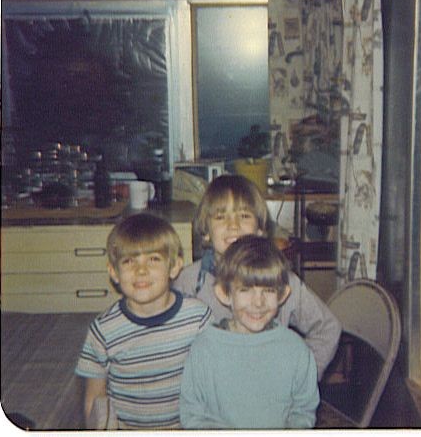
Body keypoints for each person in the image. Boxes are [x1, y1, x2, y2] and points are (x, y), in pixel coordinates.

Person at [173, 174, 341, 380]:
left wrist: (301, 376)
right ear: (206, 231)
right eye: (220, 217)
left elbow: (327, 328)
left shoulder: (282, 280)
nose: (233, 225)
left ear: (260, 229)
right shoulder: (188, 282)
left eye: (244, 216)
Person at [75, 213, 212, 430]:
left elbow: (216, 381)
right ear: (114, 272)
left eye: (153, 259)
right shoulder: (104, 330)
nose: (141, 270)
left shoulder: (198, 318)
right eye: (129, 261)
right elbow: (94, 399)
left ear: (174, 267)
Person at [179, 235, 320, 429]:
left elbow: (303, 411)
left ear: (282, 294)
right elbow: (192, 415)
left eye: (268, 290)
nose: (258, 302)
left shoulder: (296, 350)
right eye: (245, 290)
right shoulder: (204, 348)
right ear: (224, 293)